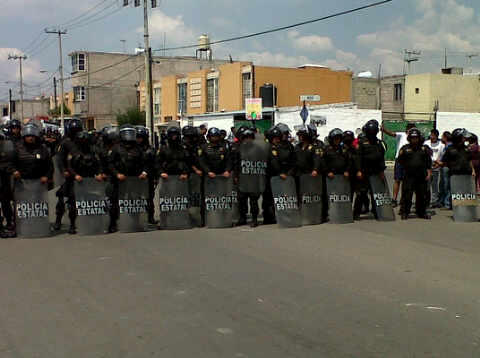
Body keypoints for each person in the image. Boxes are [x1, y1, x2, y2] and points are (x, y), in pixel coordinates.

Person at [106, 125, 148, 233]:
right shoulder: (116, 148)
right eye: (126, 133)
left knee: (134, 201)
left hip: (134, 179)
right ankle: (113, 223)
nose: (128, 136)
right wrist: (116, 174)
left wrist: (144, 172)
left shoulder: (138, 148)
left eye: (131, 133)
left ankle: (135, 223)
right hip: (119, 180)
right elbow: (110, 163)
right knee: (115, 202)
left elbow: (144, 163)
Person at [66, 131, 104, 234]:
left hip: (91, 180)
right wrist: (75, 175)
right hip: (77, 181)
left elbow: (99, 164)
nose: (84, 142)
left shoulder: (94, 151)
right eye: (81, 140)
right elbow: (69, 166)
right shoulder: (73, 152)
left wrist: (99, 173)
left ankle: (93, 224)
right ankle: (73, 225)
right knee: (73, 204)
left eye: (85, 140)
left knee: (92, 203)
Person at [54, 118, 83, 231]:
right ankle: (58, 221)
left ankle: (73, 224)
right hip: (67, 175)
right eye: (74, 130)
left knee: (74, 200)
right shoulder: (64, 142)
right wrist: (64, 171)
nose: (76, 132)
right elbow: (60, 159)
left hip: (78, 173)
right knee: (62, 199)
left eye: (77, 130)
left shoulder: (81, 141)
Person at [397, 128, 432, 220]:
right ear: (409, 138)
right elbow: (400, 161)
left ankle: (421, 212)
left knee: (421, 194)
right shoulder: (405, 149)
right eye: (412, 138)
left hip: (421, 175)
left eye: (416, 137)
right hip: (409, 175)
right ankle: (405, 212)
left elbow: (428, 162)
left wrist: (429, 172)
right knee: (407, 194)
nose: (414, 139)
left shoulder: (424, 149)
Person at [355, 120, 387, 219]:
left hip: (376, 172)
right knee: (361, 193)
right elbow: (358, 158)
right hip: (364, 172)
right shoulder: (362, 143)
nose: (372, 134)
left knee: (376, 193)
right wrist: (359, 170)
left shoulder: (379, 143)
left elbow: (381, 158)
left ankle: (377, 212)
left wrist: (382, 171)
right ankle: (356, 213)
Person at [382, 122, 416, 208]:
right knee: (397, 180)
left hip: (410, 161)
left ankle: (404, 199)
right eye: (410, 129)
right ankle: (394, 199)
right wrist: (383, 129)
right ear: (407, 130)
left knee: (407, 181)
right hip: (400, 160)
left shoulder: (414, 138)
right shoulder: (401, 135)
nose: (411, 131)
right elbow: (392, 133)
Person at [235, 128, 263, 227]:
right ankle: (242, 218)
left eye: (250, 138)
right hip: (242, 178)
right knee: (241, 200)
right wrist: (236, 176)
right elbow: (235, 163)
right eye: (246, 138)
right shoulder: (238, 149)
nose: (248, 140)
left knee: (253, 200)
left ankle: (254, 219)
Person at [136, 126, 157, 224]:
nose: (138, 139)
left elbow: (152, 164)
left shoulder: (150, 149)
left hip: (147, 177)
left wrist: (146, 173)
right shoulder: (133, 149)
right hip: (135, 178)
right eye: (137, 137)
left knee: (149, 198)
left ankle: (150, 217)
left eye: (140, 137)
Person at [0, 132, 15, 238]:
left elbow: (10, 162)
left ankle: (9, 222)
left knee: (6, 202)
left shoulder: (6, 150)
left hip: (4, 180)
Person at [424, 129, 445, 208]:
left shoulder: (441, 145)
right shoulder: (426, 143)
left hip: (436, 167)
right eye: (431, 135)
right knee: (426, 185)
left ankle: (434, 201)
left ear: (436, 136)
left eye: (433, 135)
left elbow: (442, 156)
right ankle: (426, 200)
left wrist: (438, 164)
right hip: (427, 167)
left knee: (434, 185)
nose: (432, 137)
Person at [438, 131, 452, 209]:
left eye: (442, 137)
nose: (441, 138)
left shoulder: (449, 146)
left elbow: (446, 159)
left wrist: (440, 162)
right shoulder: (446, 146)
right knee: (443, 185)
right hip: (443, 167)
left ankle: (447, 203)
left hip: (446, 167)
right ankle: (442, 201)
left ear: (445, 138)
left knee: (447, 186)